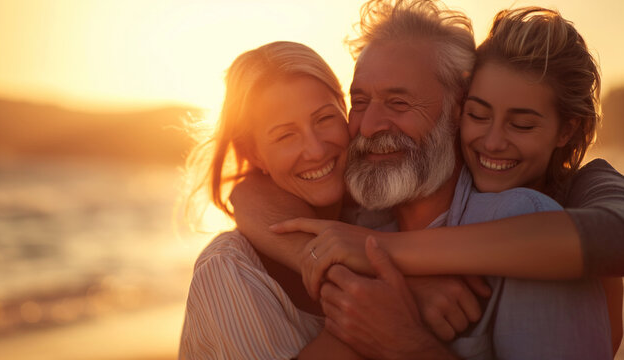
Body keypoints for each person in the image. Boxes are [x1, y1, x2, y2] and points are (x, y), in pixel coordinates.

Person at [231, 1, 617, 358]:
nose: (369, 125)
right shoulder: (359, 213)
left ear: (457, 109)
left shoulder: (528, 219)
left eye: (399, 103)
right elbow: (251, 191)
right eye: (359, 101)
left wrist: (407, 342)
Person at [178, 41, 368, 359]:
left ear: (344, 110)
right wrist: (381, 312)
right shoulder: (229, 271)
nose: (316, 150)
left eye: (324, 119)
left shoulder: (376, 217)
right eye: (285, 135)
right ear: (253, 154)